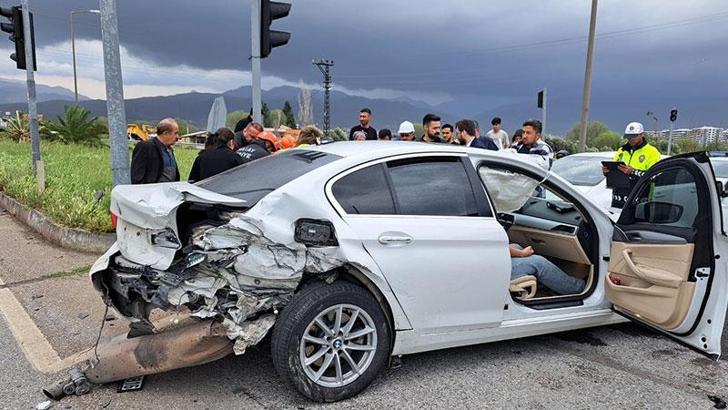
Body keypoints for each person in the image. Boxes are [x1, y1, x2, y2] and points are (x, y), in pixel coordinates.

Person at [603, 121, 661, 208]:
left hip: (638, 199)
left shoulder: (652, 152)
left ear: (642, 134)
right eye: (628, 136)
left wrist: (633, 172)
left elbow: (654, 176)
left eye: (634, 136)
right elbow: (614, 170)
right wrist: (607, 171)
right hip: (618, 198)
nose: (631, 139)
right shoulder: (621, 150)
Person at [510, 244, 585, 295]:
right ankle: (577, 288)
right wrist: (523, 253)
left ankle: (546, 286)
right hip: (501, 271)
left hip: (499, 261)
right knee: (538, 262)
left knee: (516, 246)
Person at [130, 118, 180, 184]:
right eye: (175, 133)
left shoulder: (169, 150)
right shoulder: (145, 147)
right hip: (152, 192)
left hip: (169, 192)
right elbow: (137, 176)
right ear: (165, 133)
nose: (178, 137)